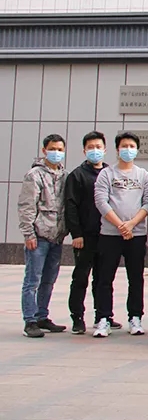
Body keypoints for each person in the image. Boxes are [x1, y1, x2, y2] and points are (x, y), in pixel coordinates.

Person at [93, 131, 148, 338]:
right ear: (117, 150)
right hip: (110, 234)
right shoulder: (106, 174)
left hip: (136, 234)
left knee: (135, 277)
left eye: (131, 146)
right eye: (124, 146)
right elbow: (101, 201)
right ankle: (103, 318)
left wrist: (132, 224)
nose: (128, 150)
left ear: (137, 150)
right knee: (105, 278)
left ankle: (135, 317)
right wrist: (120, 225)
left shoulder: (143, 175)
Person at [65, 131, 120, 335]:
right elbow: (71, 206)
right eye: (91, 147)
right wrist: (76, 234)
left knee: (104, 278)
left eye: (98, 147)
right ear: (84, 150)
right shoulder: (77, 176)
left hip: (106, 234)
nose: (95, 150)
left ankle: (103, 316)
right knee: (81, 278)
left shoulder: (110, 173)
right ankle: (77, 317)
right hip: (85, 236)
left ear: (105, 150)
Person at [18, 134, 69, 338]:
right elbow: (27, 206)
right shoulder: (34, 175)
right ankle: (30, 320)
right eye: (52, 149)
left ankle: (42, 316)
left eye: (60, 149)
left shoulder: (64, 176)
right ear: (44, 151)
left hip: (56, 236)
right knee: (33, 280)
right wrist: (28, 233)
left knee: (49, 280)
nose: (56, 153)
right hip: (38, 236)